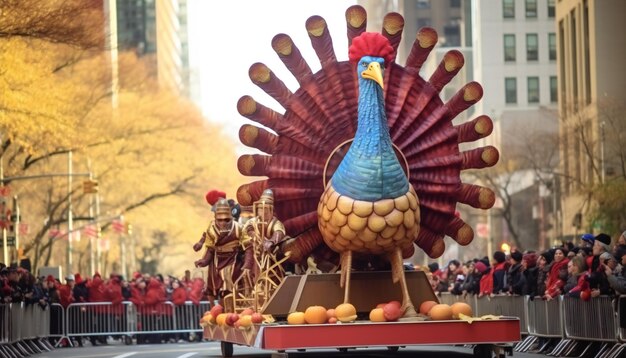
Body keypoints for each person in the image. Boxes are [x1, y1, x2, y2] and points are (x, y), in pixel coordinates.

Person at [194, 197, 253, 305]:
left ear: (230, 216)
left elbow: (248, 246)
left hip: (233, 259)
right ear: (215, 217)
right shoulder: (211, 228)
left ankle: (228, 306)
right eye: (219, 220)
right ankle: (214, 310)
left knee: (228, 280)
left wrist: (247, 264)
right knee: (212, 283)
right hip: (216, 260)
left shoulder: (239, 228)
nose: (222, 223)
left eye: (226, 220)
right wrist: (204, 261)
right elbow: (210, 248)